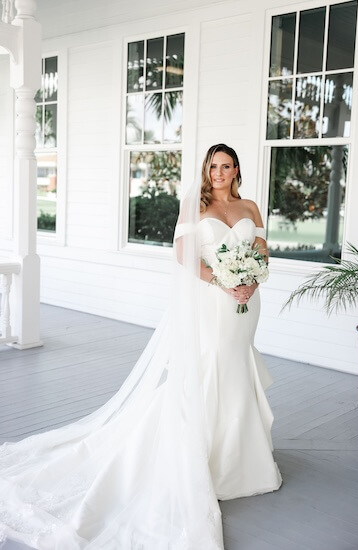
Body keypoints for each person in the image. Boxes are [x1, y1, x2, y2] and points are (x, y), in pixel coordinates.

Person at [0, 144, 281, 550]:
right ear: (206, 170)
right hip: (212, 300)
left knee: (235, 366)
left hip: (246, 303)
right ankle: (202, 458)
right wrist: (224, 281)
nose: (218, 172)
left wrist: (250, 282)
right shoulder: (194, 205)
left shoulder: (250, 207)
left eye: (225, 166)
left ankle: (242, 462)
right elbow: (184, 257)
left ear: (236, 169)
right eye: (212, 166)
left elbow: (262, 253)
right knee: (212, 365)